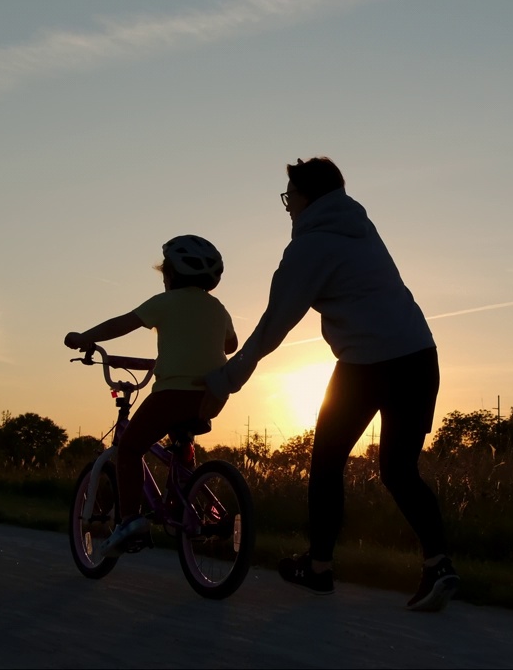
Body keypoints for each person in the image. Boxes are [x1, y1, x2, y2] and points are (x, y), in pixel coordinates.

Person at [201, 157, 459, 611]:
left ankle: (319, 569)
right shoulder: (362, 228)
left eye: (289, 197)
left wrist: (228, 378)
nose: (286, 208)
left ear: (306, 197)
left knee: (326, 465)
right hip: (419, 356)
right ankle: (440, 565)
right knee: (400, 470)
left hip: (365, 365)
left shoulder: (310, 247)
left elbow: (274, 324)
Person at [65, 235, 237, 559]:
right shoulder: (219, 309)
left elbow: (123, 324)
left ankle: (130, 522)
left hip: (173, 393)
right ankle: (183, 502)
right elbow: (231, 346)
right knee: (181, 440)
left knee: (129, 448)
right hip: (212, 397)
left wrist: (85, 338)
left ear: (169, 275)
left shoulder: (164, 303)